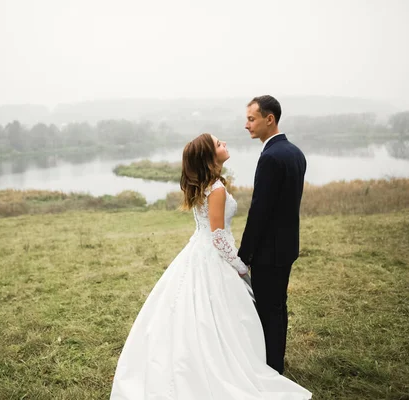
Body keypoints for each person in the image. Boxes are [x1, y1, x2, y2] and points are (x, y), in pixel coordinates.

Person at [110, 133, 311, 399]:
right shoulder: (215, 189)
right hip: (212, 255)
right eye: (218, 144)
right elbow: (217, 236)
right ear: (209, 156)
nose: (224, 143)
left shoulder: (206, 185)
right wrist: (239, 265)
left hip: (198, 250)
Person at [238, 95, 307, 375]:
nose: (247, 125)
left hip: (269, 252)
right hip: (287, 247)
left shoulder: (270, 157)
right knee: (277, 307)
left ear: (270, 119)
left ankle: (272, 370)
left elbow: (259, 211)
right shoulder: (295, 152)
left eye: (251, 119)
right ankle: (275, 363)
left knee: (268, 310)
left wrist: (244, 255)